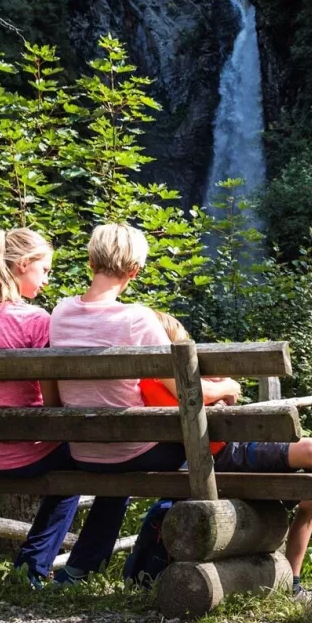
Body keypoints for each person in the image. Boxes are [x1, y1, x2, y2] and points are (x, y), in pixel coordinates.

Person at [125, 311, 312, 594]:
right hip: (227, 455)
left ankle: (293, 582)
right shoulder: (164, 378)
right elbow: (211, 400)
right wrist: (226, 389)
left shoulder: (143, 383)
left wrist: (218, 397)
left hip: (216, 456)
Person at [0, 228, 121, 583]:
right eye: (44, 270)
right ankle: (69, 569)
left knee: (73, 475)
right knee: (113, 466)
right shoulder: (34, 320)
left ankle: (30, 567)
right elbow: (53, 402)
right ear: (23, 266)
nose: (47, 279)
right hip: (30, 452)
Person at [46, 222, 187, 582]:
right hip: (130, 450)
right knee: (202, 448)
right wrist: (225, 388)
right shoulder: (137, 318)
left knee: (120, 469)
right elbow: (181, 387)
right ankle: (170, 559)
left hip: (83, 451)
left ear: (91, 262)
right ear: (134, 271)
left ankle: (79, 569)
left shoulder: (60, 312)